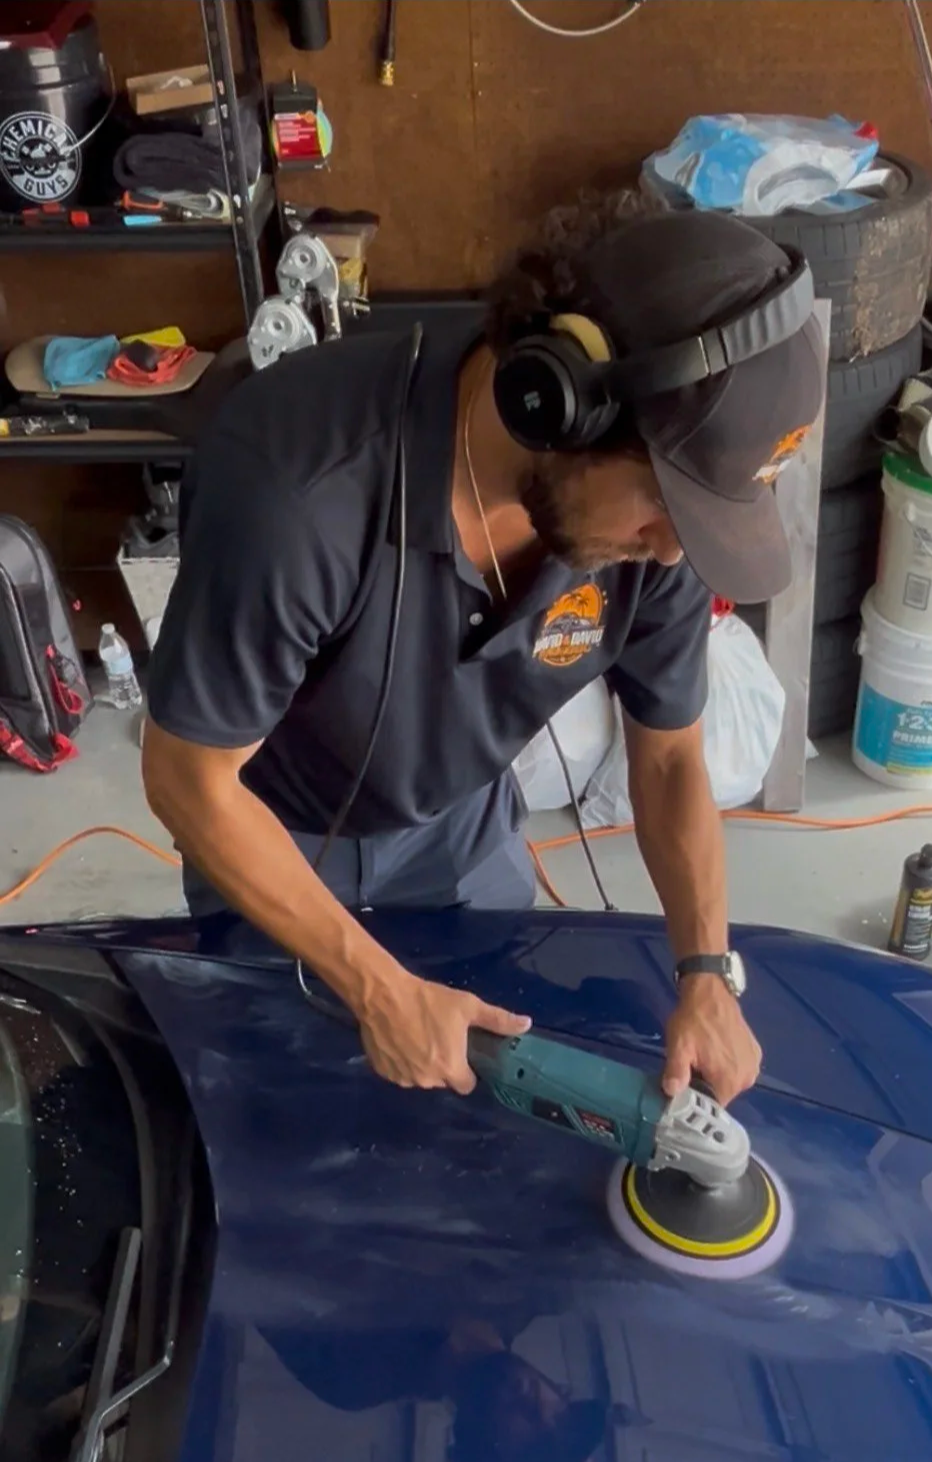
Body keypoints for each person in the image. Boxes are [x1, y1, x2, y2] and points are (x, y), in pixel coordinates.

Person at [142, 190, 822, 1105]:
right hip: (274, 830)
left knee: (481, 1087)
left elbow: (667, 759)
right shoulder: (298, 488)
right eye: (664, 506)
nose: (671, 553)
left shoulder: (660, 534)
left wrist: (706, 971)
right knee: (286, 1101)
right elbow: (190, 780)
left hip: (465, 823)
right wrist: (376, 987)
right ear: (558, 406)